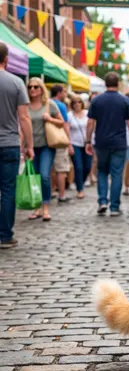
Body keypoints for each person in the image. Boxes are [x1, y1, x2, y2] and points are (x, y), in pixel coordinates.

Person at [85, 72, 129, 217]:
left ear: (105, 84)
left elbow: (90, 122)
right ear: (118, 83)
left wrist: (88, 141)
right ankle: (114, 207)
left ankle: (102, 201)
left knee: (102, 172)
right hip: (119, 143)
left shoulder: (96, 100)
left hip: (101, 142)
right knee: (116, 174)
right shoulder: (124, 100)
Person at [0, 43, 34, 248]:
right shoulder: (16, 83)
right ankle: (5, 235)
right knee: (8, 190)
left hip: (9, 143)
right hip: (9, 143)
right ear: (7, 59)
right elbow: (24, 118)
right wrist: (29, 145)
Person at [27, 77, 65, 222]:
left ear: (42, 89)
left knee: (44, 176)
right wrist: (23, 146)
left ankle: (46, 207)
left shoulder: (50, 105)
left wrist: (50, 119)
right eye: (30, 87)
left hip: (47, 146)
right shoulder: (26, 105)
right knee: (34, 178)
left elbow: (62, 122)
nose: (32, 89)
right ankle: (36, 208)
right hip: (32, 147)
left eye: (36, 87)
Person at [50, 84, 73, 203]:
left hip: (47, 140)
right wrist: (69, 143)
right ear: (58, 93)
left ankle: (51, 191)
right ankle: (62, 195)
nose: (65, 94)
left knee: (50, 169)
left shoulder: (46, 103)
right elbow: (65, 124)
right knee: (61, 169)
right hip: (59, 140)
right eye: (64, 91)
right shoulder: (61, 106)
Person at [68, 95, 92, 199]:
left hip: (87, 143)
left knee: (88, 166)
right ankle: (80, 189)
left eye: (79, 102)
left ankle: (79, 182)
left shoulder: (87, 114)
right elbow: (67, 130)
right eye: (74, 102)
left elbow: (92, 126)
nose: (77, 104)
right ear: (72, 104)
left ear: (82, 103)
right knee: (78, 167)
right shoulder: (69, 115)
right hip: (75, 143)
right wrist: (69, 145)